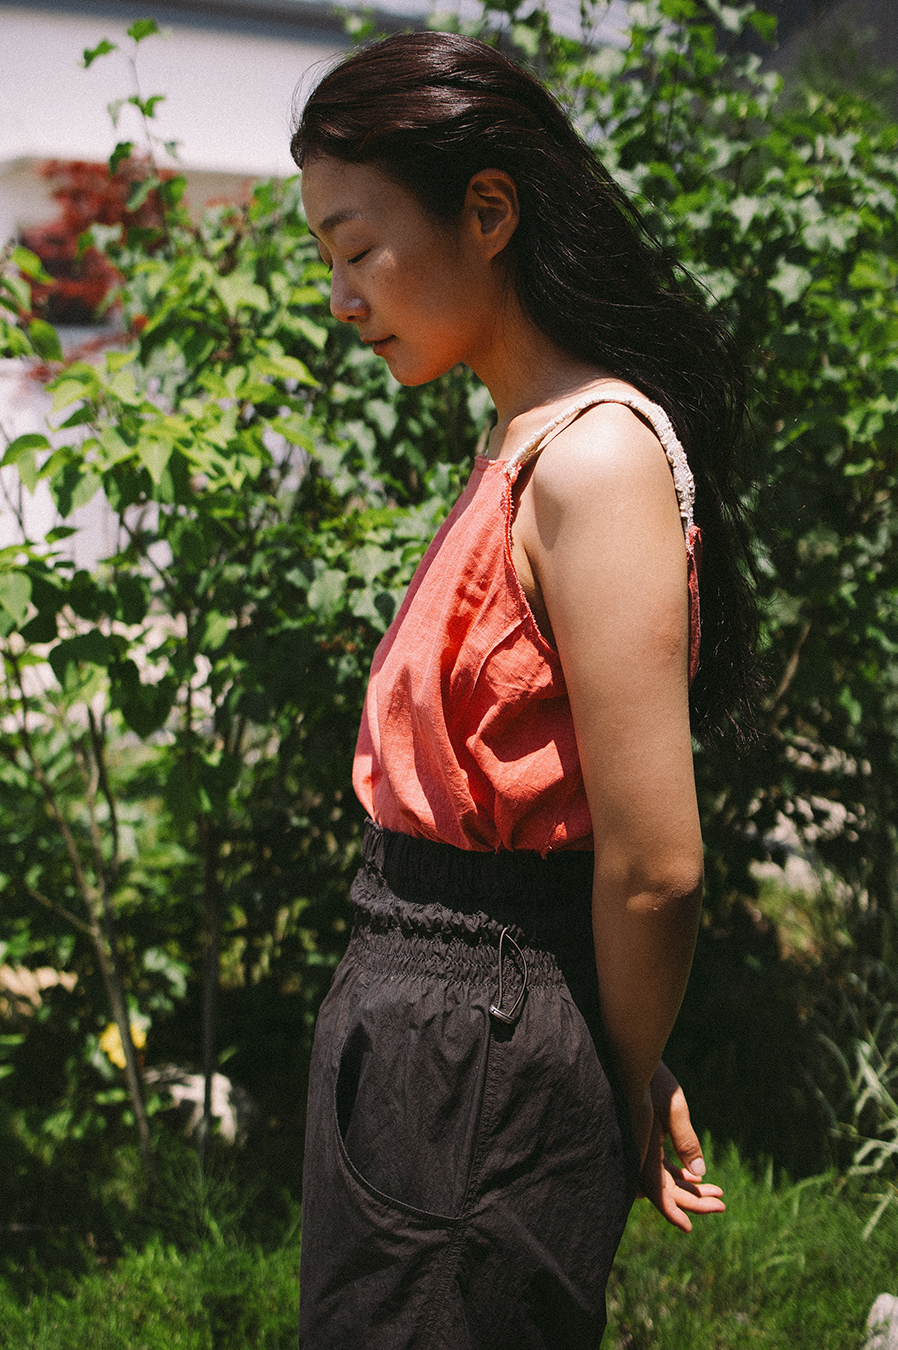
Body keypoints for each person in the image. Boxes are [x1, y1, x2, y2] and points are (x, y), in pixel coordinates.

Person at [291, 29, 758, 1349]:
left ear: (488, 211)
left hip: (474, 1065)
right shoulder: (522, 441)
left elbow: (655, 866)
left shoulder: (594, 458)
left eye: (358, 248)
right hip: (440, 1041)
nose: (342, 298)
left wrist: (614, 1069)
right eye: (327, 260)